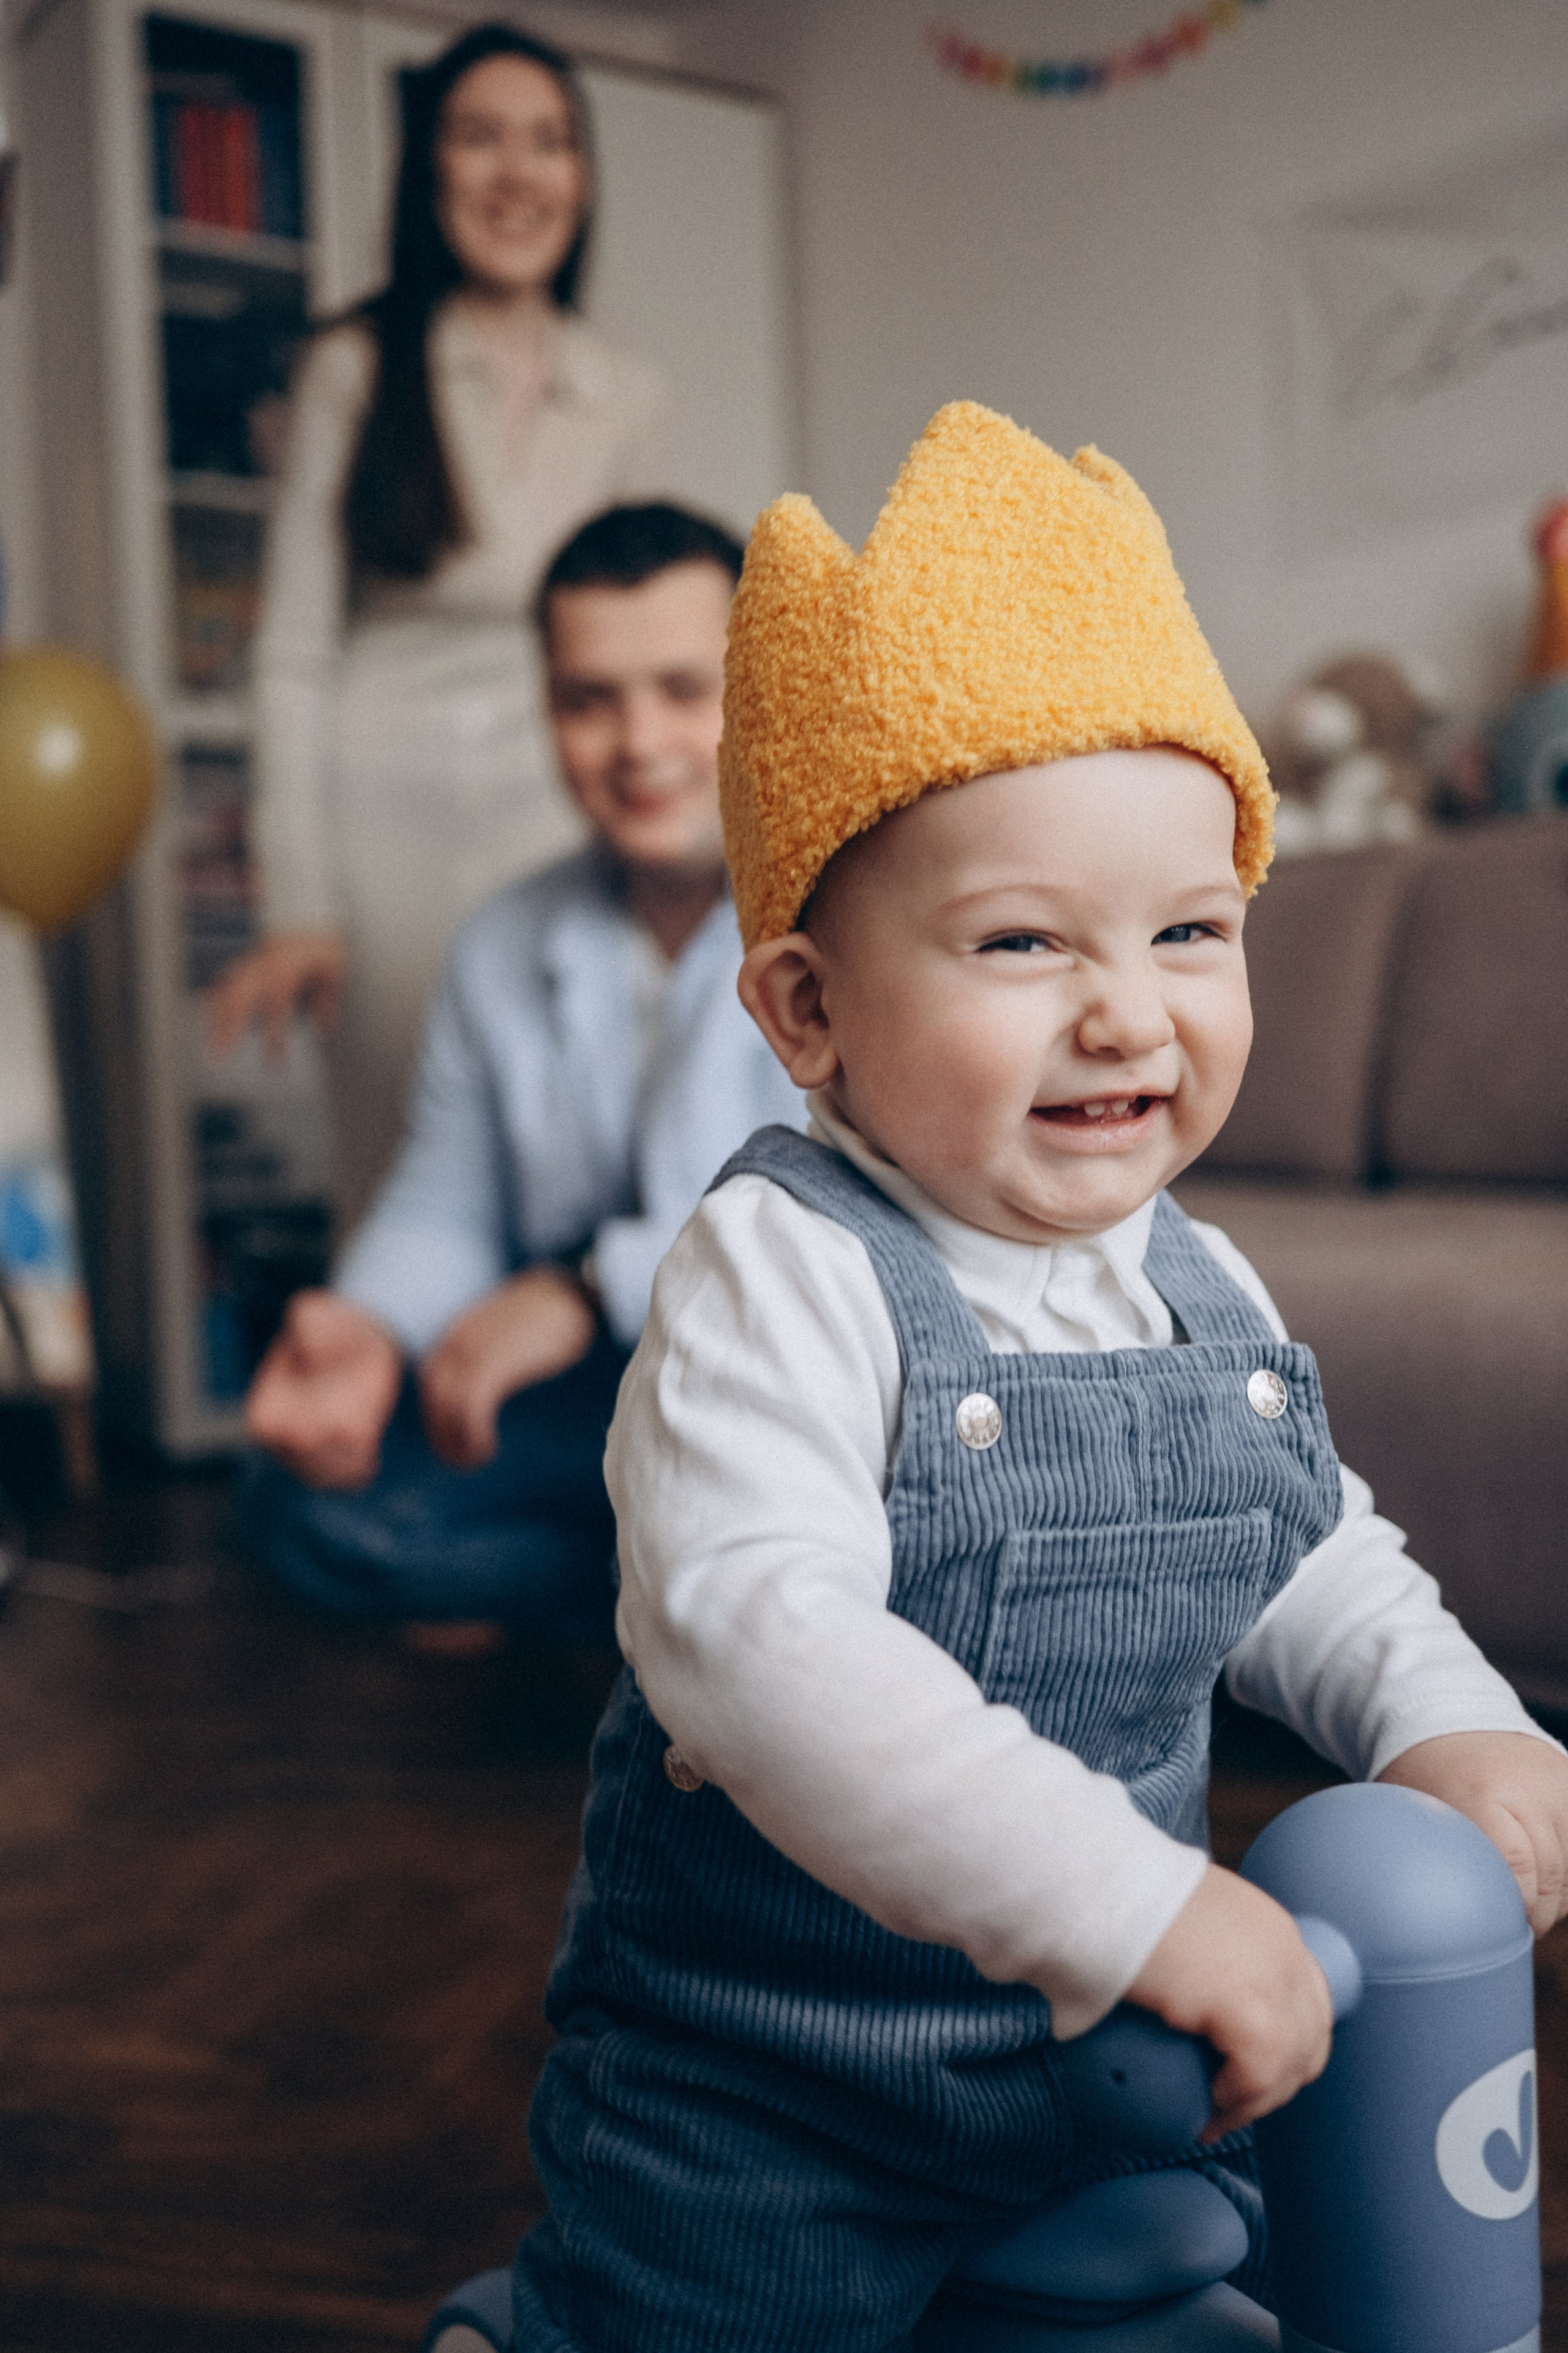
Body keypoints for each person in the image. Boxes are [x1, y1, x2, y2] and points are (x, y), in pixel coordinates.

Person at [498, 406, 1568, 2351]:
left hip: (1108, 2079)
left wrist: (1451, 1719)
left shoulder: (1194, 1272)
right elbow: (763, 1649)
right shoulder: (781, 1271)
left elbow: (1310, 1552)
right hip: (771, 2107)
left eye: (1191, 931)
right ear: (808, 1009)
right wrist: (1138, 1903)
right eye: (1020, 940)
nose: (1128, 1008)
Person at [242, 503, 801, 1647]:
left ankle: (676, 1586)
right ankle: (686, 1596)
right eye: (589, 699)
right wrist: (367, 1328)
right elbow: (448, 1195)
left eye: (685, 691)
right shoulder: (502, 938)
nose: (638, 745)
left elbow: (868, 1230)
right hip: (599, 1397)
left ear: (768, 690)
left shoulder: (856, 912)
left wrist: (586, 1283)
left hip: (802, 1388)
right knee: (298, 1505)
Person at [211, 23, 671, 1226]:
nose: (515, 174)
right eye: (478, 138)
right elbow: (295, 655)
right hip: (382, 833)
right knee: (407, 1157)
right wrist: (297, 902)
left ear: (582, 177)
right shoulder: (354, 369)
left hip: (557, 805)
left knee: (569, 1132)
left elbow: (637, 630)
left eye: (547, 143)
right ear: (428, 171)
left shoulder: (625, 391)